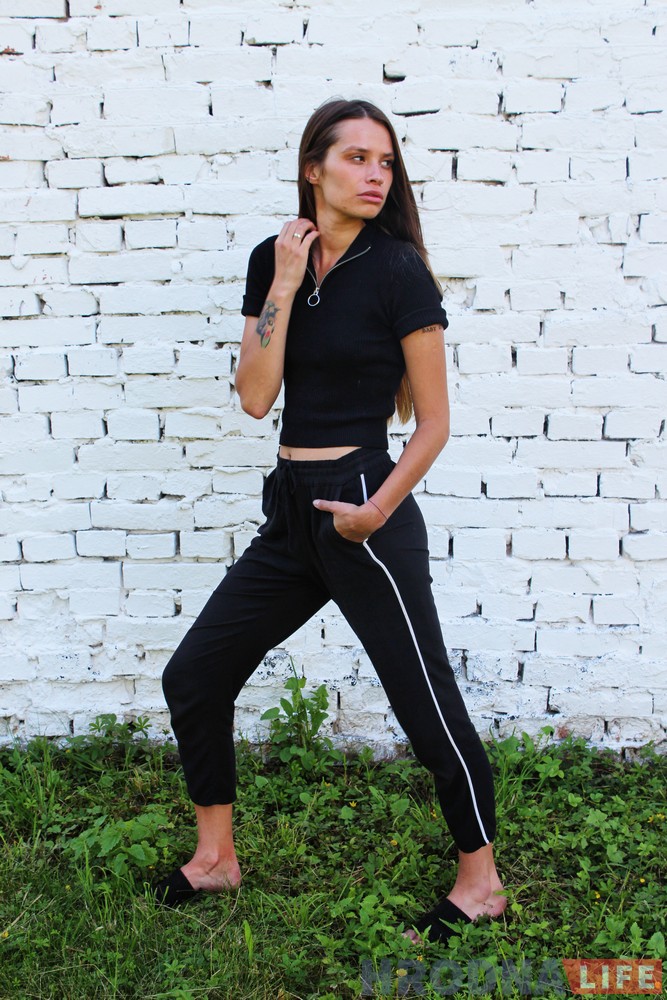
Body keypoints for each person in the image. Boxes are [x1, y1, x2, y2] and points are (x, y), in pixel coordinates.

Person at [157, 98, 506, 942]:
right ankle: (215, 859)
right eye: (356, 158)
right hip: (290, 511)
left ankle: (481, 883)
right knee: (195, 675)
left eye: (385, 162)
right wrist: (282, 281)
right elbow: (254, 398)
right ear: (312, 168)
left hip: (363, 506)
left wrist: (374, 511)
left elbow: (433, 422)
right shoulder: (272, 258)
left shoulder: (398, 271)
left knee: (423, 701)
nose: (375, 175)